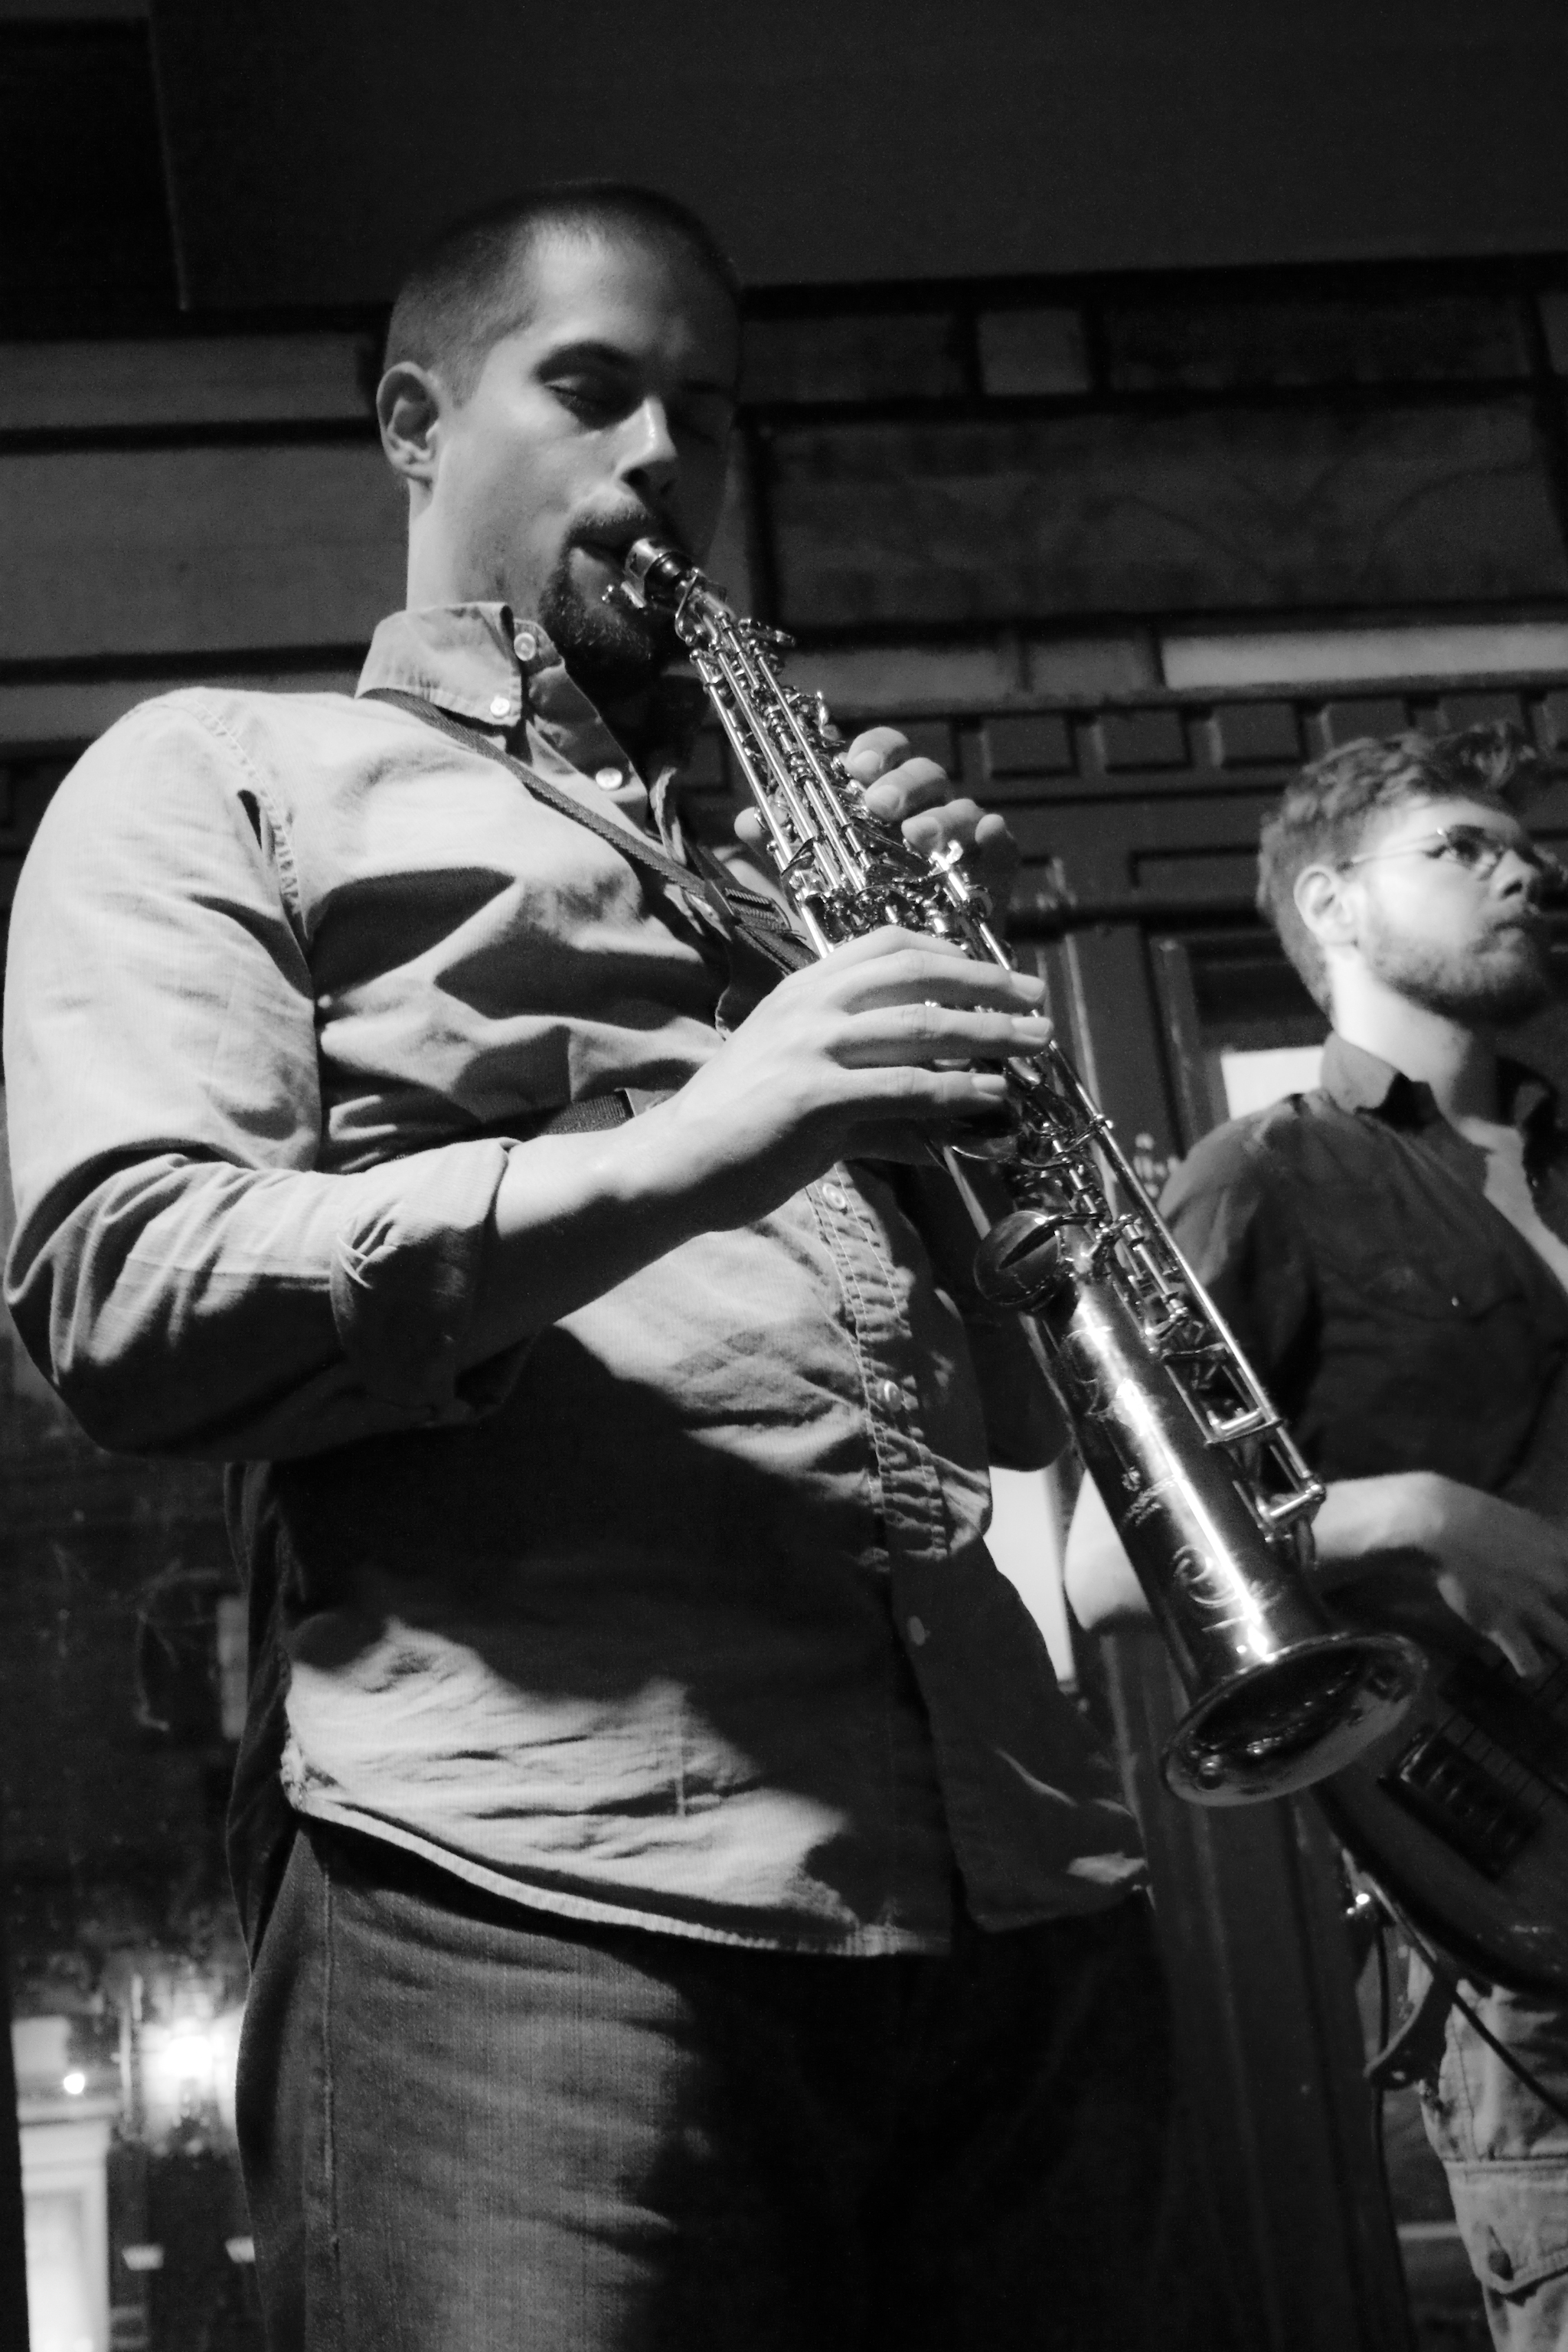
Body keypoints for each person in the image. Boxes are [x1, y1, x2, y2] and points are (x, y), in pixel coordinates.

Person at [4, 184, 1168, 2351]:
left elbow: (1013, 1416)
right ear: (415, 422)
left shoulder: (788, 866)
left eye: (702, 413)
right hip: (531, 1904)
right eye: (592, 388)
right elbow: (129, 1293)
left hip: (1020, 1891)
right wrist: (709, 1136)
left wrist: (957, 1036)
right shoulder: (225, 771)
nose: (661, 460)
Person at [1065, 721, 1568, 2350]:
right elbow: (1108, 1564)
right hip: (1534, 1915)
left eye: (1527, 849)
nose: (1522, 871)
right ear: (1332, 905)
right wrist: (1409, 1514)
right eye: (1461, 848)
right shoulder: (1265, 1173)